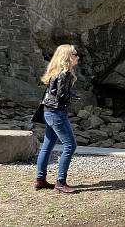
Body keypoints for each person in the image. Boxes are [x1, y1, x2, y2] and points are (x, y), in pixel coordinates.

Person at [35, 44, 80, 194]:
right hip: (56, 113)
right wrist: (73, 97)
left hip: (48, 112)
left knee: (47, 146)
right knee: (70, 145)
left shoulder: (55, 72)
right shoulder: (65, 73)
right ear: (67, 56)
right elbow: (61, 96)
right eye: (75, 54)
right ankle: (60, 183)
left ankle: (40, 180)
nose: (77, 56)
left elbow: (53, 94)